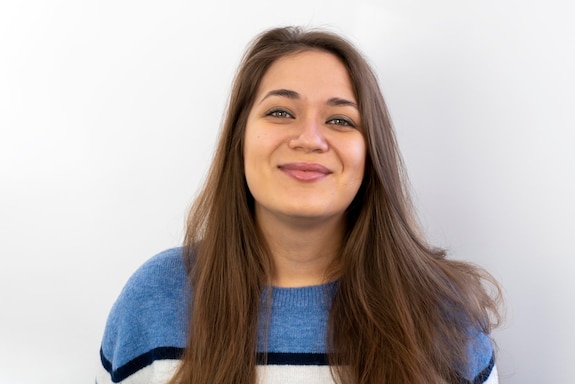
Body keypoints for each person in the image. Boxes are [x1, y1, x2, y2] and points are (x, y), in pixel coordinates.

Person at [97, 26, 502, 384]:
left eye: (340, 120)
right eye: (279, 112)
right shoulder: (152, 302)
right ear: (238, 141)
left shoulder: (442, 313)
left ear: (371, 152)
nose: (309, 138)